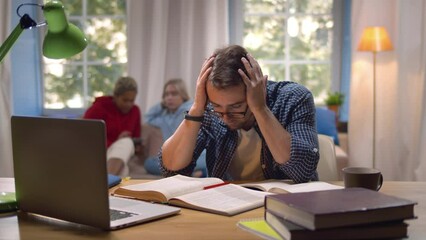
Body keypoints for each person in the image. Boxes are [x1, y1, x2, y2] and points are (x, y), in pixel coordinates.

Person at [160, 45, 319, 183]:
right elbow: (171, 170)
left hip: (284, 204)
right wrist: (196, 108)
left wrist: (260, 108)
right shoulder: (209, 110)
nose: (226, 117)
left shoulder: (292, 98)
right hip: (229, 202)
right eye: (217, 107)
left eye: (236, 107)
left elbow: (302, 170)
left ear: (259, 88)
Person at [144, 78, 207, 177]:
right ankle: (193, 174)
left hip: (197, 156)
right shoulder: (165, 117)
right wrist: (161, 105)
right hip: (175, 156)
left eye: (174, 94)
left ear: (183, 95)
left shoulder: (190, 110)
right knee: (149, 163)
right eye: (166, 95)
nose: (169, 98)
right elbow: (148, 118)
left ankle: (191, 172)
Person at [84, 76, 142, 177]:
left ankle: (105, 183)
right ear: (115, 96)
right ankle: (108, 182)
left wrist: (137, 146)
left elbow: (136, 136)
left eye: (132, 100)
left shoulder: (135, 111)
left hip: (121, 154)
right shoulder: (99, 108)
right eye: (125, 100)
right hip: (98, 153)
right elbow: (84, 135)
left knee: (127, 143)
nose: (129, 104)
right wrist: (116, 142)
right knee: (124, 167)